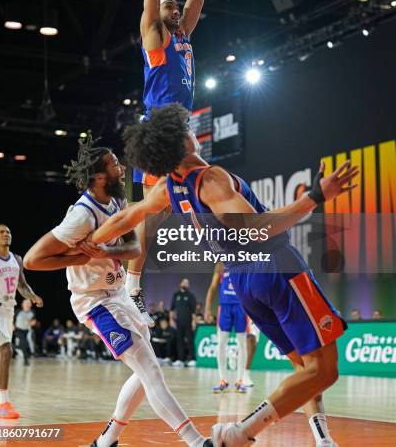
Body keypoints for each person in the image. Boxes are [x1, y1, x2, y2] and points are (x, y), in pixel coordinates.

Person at [91, 104, 359, 447]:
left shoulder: (169, 188)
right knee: (324, 369)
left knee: (306, 369)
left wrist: (84, 242)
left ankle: (323, 439)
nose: (193, 132)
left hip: (245, 282)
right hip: (273, 266)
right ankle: (238, 433)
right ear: (182, 142)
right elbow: (258, 229)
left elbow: (124, 219)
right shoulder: (211, 179)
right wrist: (315, 196)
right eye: (187, 129)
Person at [23, 133, 211, 447]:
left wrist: (105, 253)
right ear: (99, 175)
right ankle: (196, 442)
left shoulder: (117, 200)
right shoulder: (82, 216)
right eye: (114, 165)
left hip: (119, 294)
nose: (121, 168)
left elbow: (133, 246)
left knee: (146, 368)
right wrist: (78, 256)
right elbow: (32, 260)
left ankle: (107, 440)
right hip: (94, 302)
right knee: (150, 369)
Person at [126, 0, 206, 324]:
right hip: (159, 127)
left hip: (180, 125)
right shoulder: (154, 33)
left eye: (177, 8)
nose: (176, 10)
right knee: (152, 213)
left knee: (169, 204)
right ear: (157, 14)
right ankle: (131, 284)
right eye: (169, 7)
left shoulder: (184, 35)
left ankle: (205, 235)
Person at [0, 223, 43, 419]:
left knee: (0, 353)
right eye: (2, 232)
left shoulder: (16, 259)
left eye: (9, 232)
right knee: (6, 350)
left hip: (7, 311)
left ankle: (2, 403)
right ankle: (3, 404)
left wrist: (33, 296)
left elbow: (22, 285)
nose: (6, 234)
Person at [205, 263, 248, 393]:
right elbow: (212, 287)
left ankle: (240, 380)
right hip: (224, 308)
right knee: (221, 343)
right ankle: (223, 379)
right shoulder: (221, 264)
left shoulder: (244, 262)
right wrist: (207, 308)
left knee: (242, 343)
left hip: (241, 307)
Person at [170, 278, 197, 367]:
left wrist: (193, 321)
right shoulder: (176, 295)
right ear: (180, 283)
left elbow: (193, 311)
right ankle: (180, 359)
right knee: (179, 341)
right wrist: (171, 320)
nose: (186, 284)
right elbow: (172, 309)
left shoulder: (190, 295)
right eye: (185, 282)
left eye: (187, 283)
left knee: (190, 340)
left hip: (188, 321)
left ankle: (192, 359)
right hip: (179, 322)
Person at [14, 298, 37, 366]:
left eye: (28, 303)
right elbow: (11, 318)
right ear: (22, 304)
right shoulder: (18, 311)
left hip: (26, 330)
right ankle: (26, 360)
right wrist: (12, 325)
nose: (27, 304)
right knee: (24, 342)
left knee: (23, 344)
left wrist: (32, 323)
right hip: (18, 330)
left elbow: (34, 321)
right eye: (26, 303)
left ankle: (14, 346)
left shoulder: (32, 312)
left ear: (30, 305)